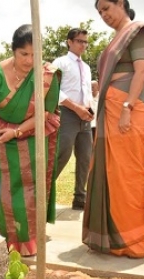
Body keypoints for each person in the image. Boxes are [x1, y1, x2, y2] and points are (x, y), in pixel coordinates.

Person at [82, 0, 144, 258]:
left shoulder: (138, 31)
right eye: (99, 12)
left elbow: (141, 71)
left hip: (129, 113)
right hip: (111, 112)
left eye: (107, 8)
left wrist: (126, 107)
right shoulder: (114, 39)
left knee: (130, 174)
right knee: (112, 174)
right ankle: (115, 240)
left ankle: (137, 240)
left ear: (121, 3)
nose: (103, 15)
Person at [0, 24, 61, 256]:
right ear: (13, 50)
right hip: (1, 140)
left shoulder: (47, 75)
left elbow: (45, 114)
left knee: (31, 190)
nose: (29, 60)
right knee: (7, 192)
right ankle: (9, 239)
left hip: (35, 136)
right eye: (24, 54)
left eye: (35, 55)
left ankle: (31, 239)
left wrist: (17, 131)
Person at [52, 28, 93, 210]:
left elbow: (87, 92)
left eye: (85, 42)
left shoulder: (86, 67)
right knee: (63, 153)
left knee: (85, 157)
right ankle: (43, 191)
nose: (83, 45)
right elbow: (53, 89)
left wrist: (89, 110)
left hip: (85, 116)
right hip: (67, 113)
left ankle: (79, 198)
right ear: (69, 41)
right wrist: (76, 108)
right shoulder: (60, 62)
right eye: (79, 41)